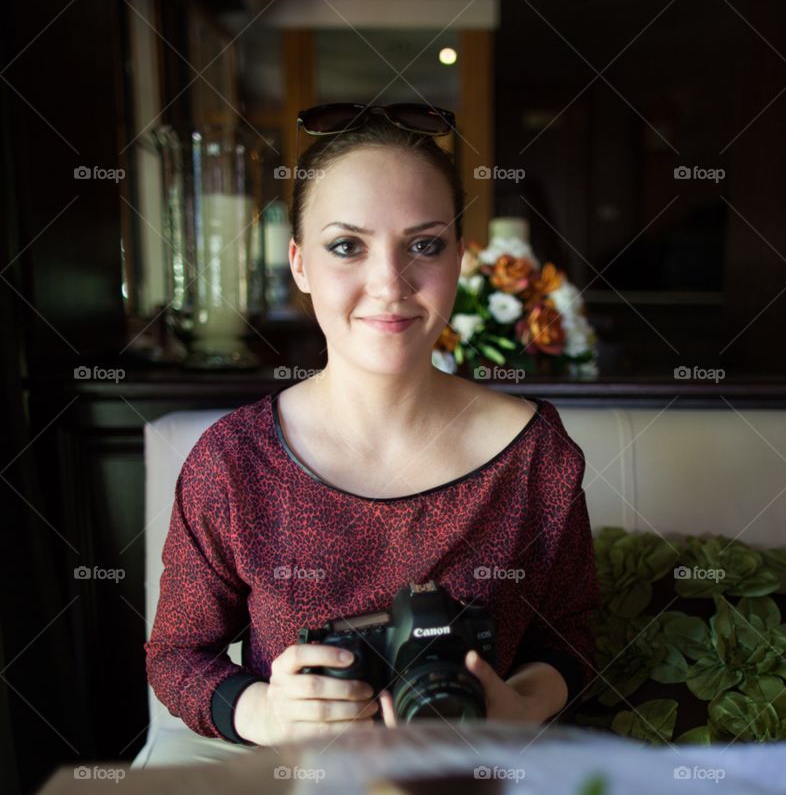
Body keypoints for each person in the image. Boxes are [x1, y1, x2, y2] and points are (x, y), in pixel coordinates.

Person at [145, 102, 601, 747]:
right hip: (297, 788)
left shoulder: (535, 455)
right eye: (346, 246)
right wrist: (267, 713)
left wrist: (522, 706)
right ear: (300, 263)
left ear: (460, 260)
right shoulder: (232, 461)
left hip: (477, 779)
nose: (390, 283)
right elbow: (176, 657)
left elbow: (571, 637)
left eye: (423, 245)